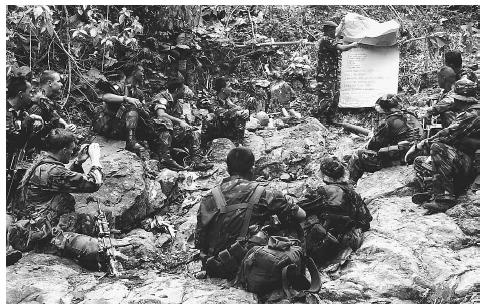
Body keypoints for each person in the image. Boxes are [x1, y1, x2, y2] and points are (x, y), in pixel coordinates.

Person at [195, 147, 306, 279]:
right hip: (249, 266)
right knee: (291, 225)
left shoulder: (210, 196)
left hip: (215, 266)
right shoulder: (264, 193)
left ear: (227, 169)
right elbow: (301, 215)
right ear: (252, 168)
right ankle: (298, 275)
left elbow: (200, 241)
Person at [8, 128, 107, 271]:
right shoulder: (53, 172)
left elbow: (62, 180)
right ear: (63, 150)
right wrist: (95, 159)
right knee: (96, 249)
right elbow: (93, 183)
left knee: (97, 225)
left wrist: (78, 163)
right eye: (71, 150)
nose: (73, 152)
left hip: (37, 226)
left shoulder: (42, 163)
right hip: (43, 236)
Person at [406, 103, 479, 213]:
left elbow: (446, 134)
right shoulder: (473, 113)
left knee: (438, 148)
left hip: (469, 165)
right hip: (462, 163)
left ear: (460, 100)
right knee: (420, 161)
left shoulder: (472, 115)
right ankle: (433, 190)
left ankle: (445, 198)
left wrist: (420, 145)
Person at [300, 156, 372, 266]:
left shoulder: (324, 191)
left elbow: (301, 207)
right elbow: (366, 221)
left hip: (327, 244)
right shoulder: (352, 192)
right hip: (348, 240)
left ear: (324, 175)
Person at [6, 76, 44, 265]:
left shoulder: (21, 112)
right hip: (6, 165)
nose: (32, 96)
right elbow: (13, 139)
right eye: (30, 92)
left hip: (14, 166)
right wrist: (29, 121)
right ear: (20, 94)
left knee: (9, 206)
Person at [348, 94, 423, 184]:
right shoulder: (410, 116)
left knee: (357, 155)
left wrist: (372, 138)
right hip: (416, 152)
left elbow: (373, 145)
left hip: (402, 158)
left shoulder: (390, 121)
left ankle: (351, 184)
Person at [149, 76, 213, 171]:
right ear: (177, 90)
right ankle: (165, 159)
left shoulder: (178, 103)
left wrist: (187, 127)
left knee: (193, 132)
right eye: (183, 89)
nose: (185, 91)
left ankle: (196, 161)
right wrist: (179, 122)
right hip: (155, 133)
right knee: (166, 121)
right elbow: (161, 115)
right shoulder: (161, 97)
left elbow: (179, 122)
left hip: (170, 135)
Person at [94, 63, 149, 155]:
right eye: (141, 71)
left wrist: (142, 109)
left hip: (123, 126)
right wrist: (126, 98)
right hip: (109, 124)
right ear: (134, 73)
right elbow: (106, 97)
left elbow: (147, 113)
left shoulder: (138, 93)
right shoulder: (120, 86)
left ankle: (135, 139)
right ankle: (131, 141)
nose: (143, 74)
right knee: (131, 108)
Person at [312, 20, 359, 123]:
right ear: (328, 30)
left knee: (335, 95)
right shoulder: (326, 40)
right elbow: (341, 48)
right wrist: (353, 45)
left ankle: (330, 118)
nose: (335, 32)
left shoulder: (328, 38)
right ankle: (318, 118)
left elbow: (337, 33)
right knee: (326, 97)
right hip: (325, 74)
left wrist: (342, 24)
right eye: (333, 30)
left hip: (331, 73)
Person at [200, 77, 250, 147]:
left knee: (241, 115)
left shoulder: (230, 98)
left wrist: (245, 111)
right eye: (229, 86)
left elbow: (240, 107)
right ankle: (204, 146)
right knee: (209, 117)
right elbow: (221, 113)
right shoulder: (212, 100)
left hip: (228, 129)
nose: (231, 89)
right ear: (223, 89)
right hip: (217, 130)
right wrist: (235, 111)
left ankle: (238, 143)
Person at [29, 70, 76, 137]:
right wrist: (64, 125)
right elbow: (49, 108)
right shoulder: (35, 97)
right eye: (59, 81)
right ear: (50, 83)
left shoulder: (51, 101)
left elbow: (58, 114)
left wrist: (70, 126)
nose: (61, 84)